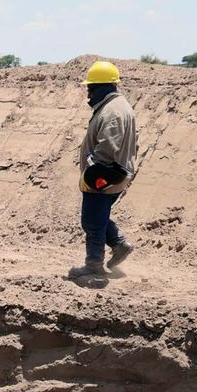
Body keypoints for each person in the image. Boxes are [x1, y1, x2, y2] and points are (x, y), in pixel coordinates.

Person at [68, 60, 138, 281]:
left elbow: (108, 147)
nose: (88, 94)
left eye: (91, 88)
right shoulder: (118, 106)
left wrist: (93, 170)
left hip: (106, 175)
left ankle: (94, 266)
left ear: (102, 87)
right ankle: (119, 245)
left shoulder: (112, 112)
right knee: (97, 217)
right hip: (115, 174)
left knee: (92, 222)